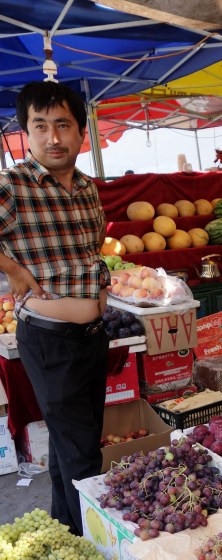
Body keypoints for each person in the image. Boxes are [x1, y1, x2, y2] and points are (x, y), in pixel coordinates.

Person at [0, 81, 111, 536]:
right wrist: (11, 268)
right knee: (84, 453)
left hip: (91, 339)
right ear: (26, 133)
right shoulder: (14, 184)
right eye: (40, 126)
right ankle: (101, 549)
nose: (53, 138)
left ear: (81, 132)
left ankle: (66, 532)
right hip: (49, 341)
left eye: (63, 125)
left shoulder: (86, 188)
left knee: (75, 449)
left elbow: (90, 248)